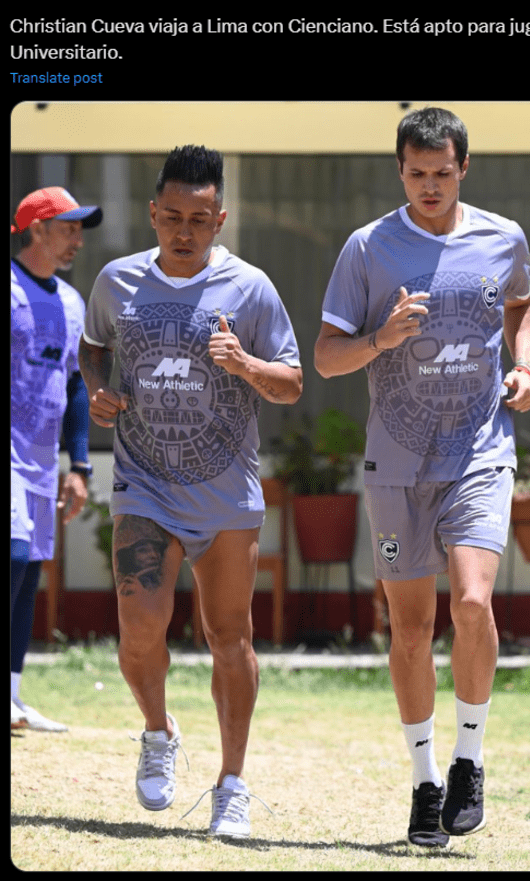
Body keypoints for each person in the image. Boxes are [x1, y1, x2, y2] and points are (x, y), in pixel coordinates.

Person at [315, 106, 530, 851]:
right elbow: (325, 355)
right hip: (397, 464)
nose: (430, 186)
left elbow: (521, 301)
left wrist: (525, 364)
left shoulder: (501, 236)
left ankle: (470, 760)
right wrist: (380, 338)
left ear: (464, 167)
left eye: (443, 173)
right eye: (416, 174)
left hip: (479, 450)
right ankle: (424, 779)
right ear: (399, 170)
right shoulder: (368, 248)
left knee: (472, 602)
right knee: (410, 629)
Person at [78, 145, 302, 838]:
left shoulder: (252, 288)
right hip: (145, 480)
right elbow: (94, 345)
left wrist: (248, 362)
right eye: (171, 215)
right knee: (139, 624)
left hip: (225, 491)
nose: (183, 230)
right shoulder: (117, 281)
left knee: (229, 636)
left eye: (199, 219)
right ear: (152, 212)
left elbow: (292, 382)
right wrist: (97, 388)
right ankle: (158, 730)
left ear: (220, 218)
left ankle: (231, 782)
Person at [11, 187, 103, 732]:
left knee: (30, 574)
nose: (77, 239)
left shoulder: (71, 302)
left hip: (42, 460)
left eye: (79, 229)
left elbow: (74, 387)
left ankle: (15, 698)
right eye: (67, 228)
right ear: (36, 230)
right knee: (15, 557)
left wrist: (81, 465)